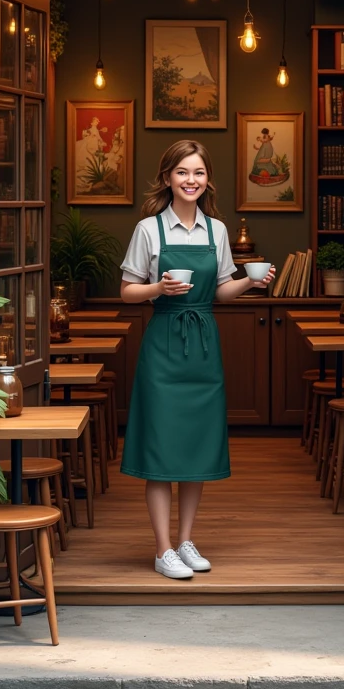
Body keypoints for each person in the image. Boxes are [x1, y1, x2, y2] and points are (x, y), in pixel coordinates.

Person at [120, 140, 275, 580]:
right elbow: (128, 290)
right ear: (167, 177)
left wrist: (249, 283)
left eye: (199, 173)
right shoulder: (149, 229)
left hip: (204, 347)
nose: (191, 180)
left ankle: (186, 540)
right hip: (164, 344)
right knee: (161, 449)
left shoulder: (217, 231)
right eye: (183, 172)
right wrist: (157, 290)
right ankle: (162, 548)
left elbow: (221, 292)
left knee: (195, 448)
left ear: (208, 180)